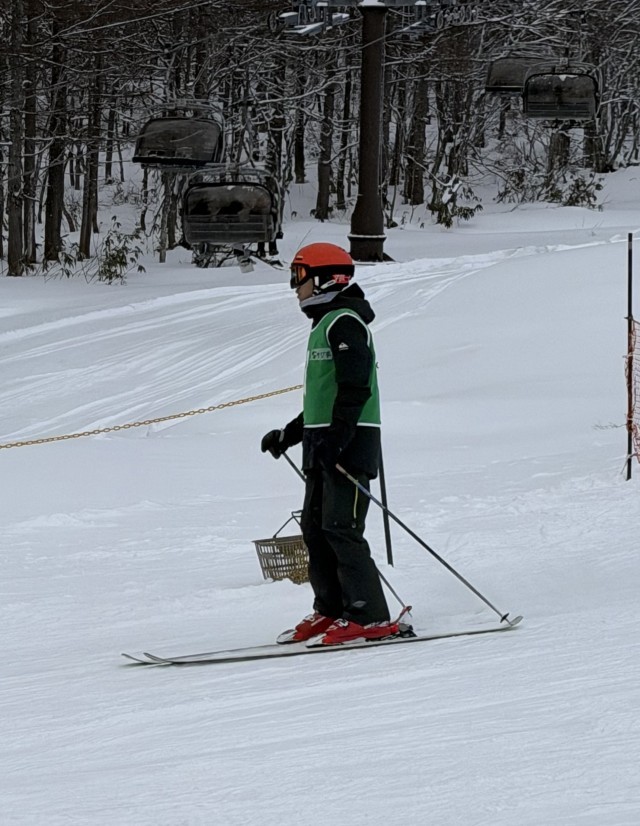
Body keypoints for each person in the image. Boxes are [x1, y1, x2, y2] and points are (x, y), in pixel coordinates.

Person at [261, 242, 398, 646]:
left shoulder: (345, 322)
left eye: (299, 277)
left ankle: (369, 616)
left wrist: (337, 439)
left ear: (325, 279)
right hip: (324, 442)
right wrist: (289, 434)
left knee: (342, 527)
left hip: (349, 443)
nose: (295, 287)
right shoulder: (324, 325)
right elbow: (324, 398)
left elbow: (355, 389)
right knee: (315, 529)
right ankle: (332, 609)